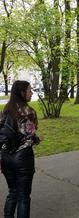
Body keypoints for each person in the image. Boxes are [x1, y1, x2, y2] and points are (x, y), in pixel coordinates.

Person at [0, 80, 40, 218]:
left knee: (13, 192)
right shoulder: (29, 112)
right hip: (23, 158)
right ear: (22, 92)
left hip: (5, 157)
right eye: (29, 90)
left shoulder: (6, 109)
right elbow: (31, 133)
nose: (31, 92)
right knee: (23, 196)